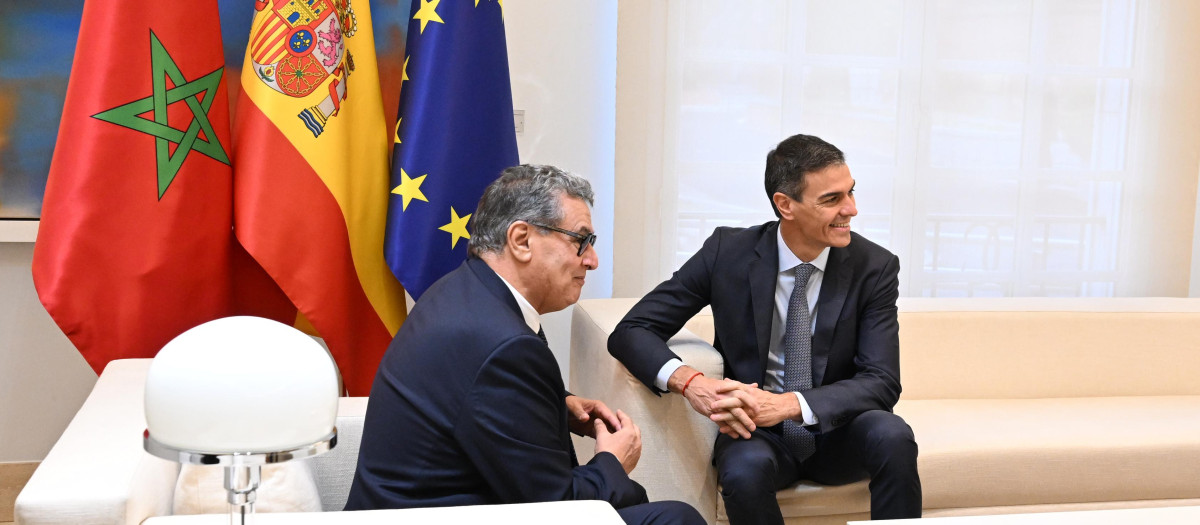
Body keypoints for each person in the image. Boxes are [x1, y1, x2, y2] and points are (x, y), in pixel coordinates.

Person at [345, 164, 703, 525]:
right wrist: (613, 460)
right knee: (677, 519)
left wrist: (556, 402)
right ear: (521, 240)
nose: (592, 261)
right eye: (580, 240)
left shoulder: (466, 292)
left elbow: (475, 395)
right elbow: (556, 508)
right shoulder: (501, 344)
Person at [608, 134, 921, 524]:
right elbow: (632, 329)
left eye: (851, 193)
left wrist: (789, 406)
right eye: (832, 199)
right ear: (785, 205)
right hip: (755, 431)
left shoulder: (874, 266)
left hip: (839, 429)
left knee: (893, 435)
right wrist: (690, 382)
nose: (851, 210)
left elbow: (881, 380)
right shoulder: (728, 253)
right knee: (743, 471)